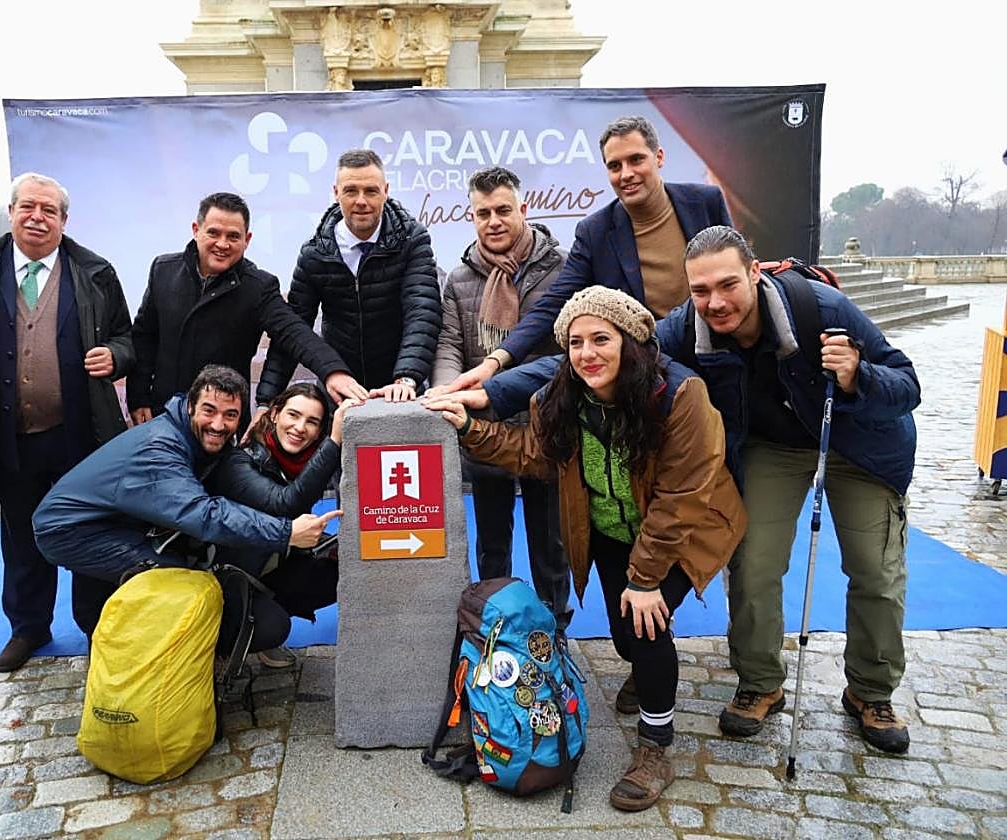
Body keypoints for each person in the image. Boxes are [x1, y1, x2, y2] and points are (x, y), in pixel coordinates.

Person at [425, 287, 746, 812]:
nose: (587, 353)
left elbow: (682, 496)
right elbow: (531, 452)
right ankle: (646, 678)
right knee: (624, 634)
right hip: (614, 529)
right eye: (576, 343)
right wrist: (470, 429)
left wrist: (645, 582)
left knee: (646, 627)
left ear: (631, 342)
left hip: (686, 527)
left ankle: (655, 748)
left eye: (601, 339)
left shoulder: (679, 396)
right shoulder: (564, 397)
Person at [655, 225, 920, 754]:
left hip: (855, 437)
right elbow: (624, 359)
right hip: (773, 446)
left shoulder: (821, 307)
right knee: (753, 563)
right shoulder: (684, 329)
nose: (715, 302)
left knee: (874, 567)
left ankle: (870, 690)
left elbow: (907, 384)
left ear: (755, 273)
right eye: (700, 290)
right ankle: (759, 681)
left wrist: (856, 377)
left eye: (728, 284)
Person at [0, 172, 134, 673]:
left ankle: (97, 624)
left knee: (88, 529)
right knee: (21, 535)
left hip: (78, 435)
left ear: (65, 220)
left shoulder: (95, 272)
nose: (37, 217)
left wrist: (116, 356)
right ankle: (28, 628)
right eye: (28, 207)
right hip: (9, 437)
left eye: (49, 210)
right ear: (11, 211)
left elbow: (130, 339)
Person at [33, 365, 339, 654]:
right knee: (185, 586)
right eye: (210, 410)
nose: (219, 424)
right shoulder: (161, 447)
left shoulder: (195, 439)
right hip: (70, 530)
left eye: (230, 415)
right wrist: (285, 533)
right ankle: (155, 664)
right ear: (190, 406)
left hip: (112, 519)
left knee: (166, 577)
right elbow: (203, 514)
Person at [434, 115, 731, 395]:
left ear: (659, 157)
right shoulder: (595, 232)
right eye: (615, 166)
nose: (626, 174)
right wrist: (495, 361)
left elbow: (734, 268)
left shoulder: (704, 202)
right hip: (648, 373)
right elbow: (552, 305)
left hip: (719, 355)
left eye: (636, 160)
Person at [430, 165, 571, 628]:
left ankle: (554, 632)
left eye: (503, 210)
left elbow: (567, 351)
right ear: (471, 217)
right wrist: (451, 390)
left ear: (523, 210)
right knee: (492, 542)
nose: (494, 221)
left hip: (545, 424)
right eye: (483, 212)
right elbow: (450, 343)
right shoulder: (459, 277)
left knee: (550, 542)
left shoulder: (562, 268)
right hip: (484, 427)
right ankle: (497, 627)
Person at [126, 192, 367, 430]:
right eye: (213, 233)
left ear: (247, 239)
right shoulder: (163, 270)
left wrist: (333, 372)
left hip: (223, 427)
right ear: (195, 230)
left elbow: (295, 333)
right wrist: (138, 397)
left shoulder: (258, 287)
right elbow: (144, 337)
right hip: (164, 417)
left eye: (233, 236)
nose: (222, 244)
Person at [256, 148, 441, 409]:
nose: (361, 201)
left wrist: (407, 377)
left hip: (401, 389)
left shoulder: (412, 240)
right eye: (351, 191)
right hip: (339, 394)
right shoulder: (314, 253)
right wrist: (266, 402)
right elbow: (293, 329)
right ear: (336, 193)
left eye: (371, 191)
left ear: (386, 191)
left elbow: (422, 311)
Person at [206, 382, 359, 668]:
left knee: (341, 563)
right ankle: (217, 646)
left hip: (269, 562)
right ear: (275, 413)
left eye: (312, 422)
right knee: (273, 628)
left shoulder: (301, 462)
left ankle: (259, 621)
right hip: (226, 579)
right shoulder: (241, 461)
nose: (300, 427)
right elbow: (285, 504)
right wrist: (334, 440)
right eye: (293, 415)